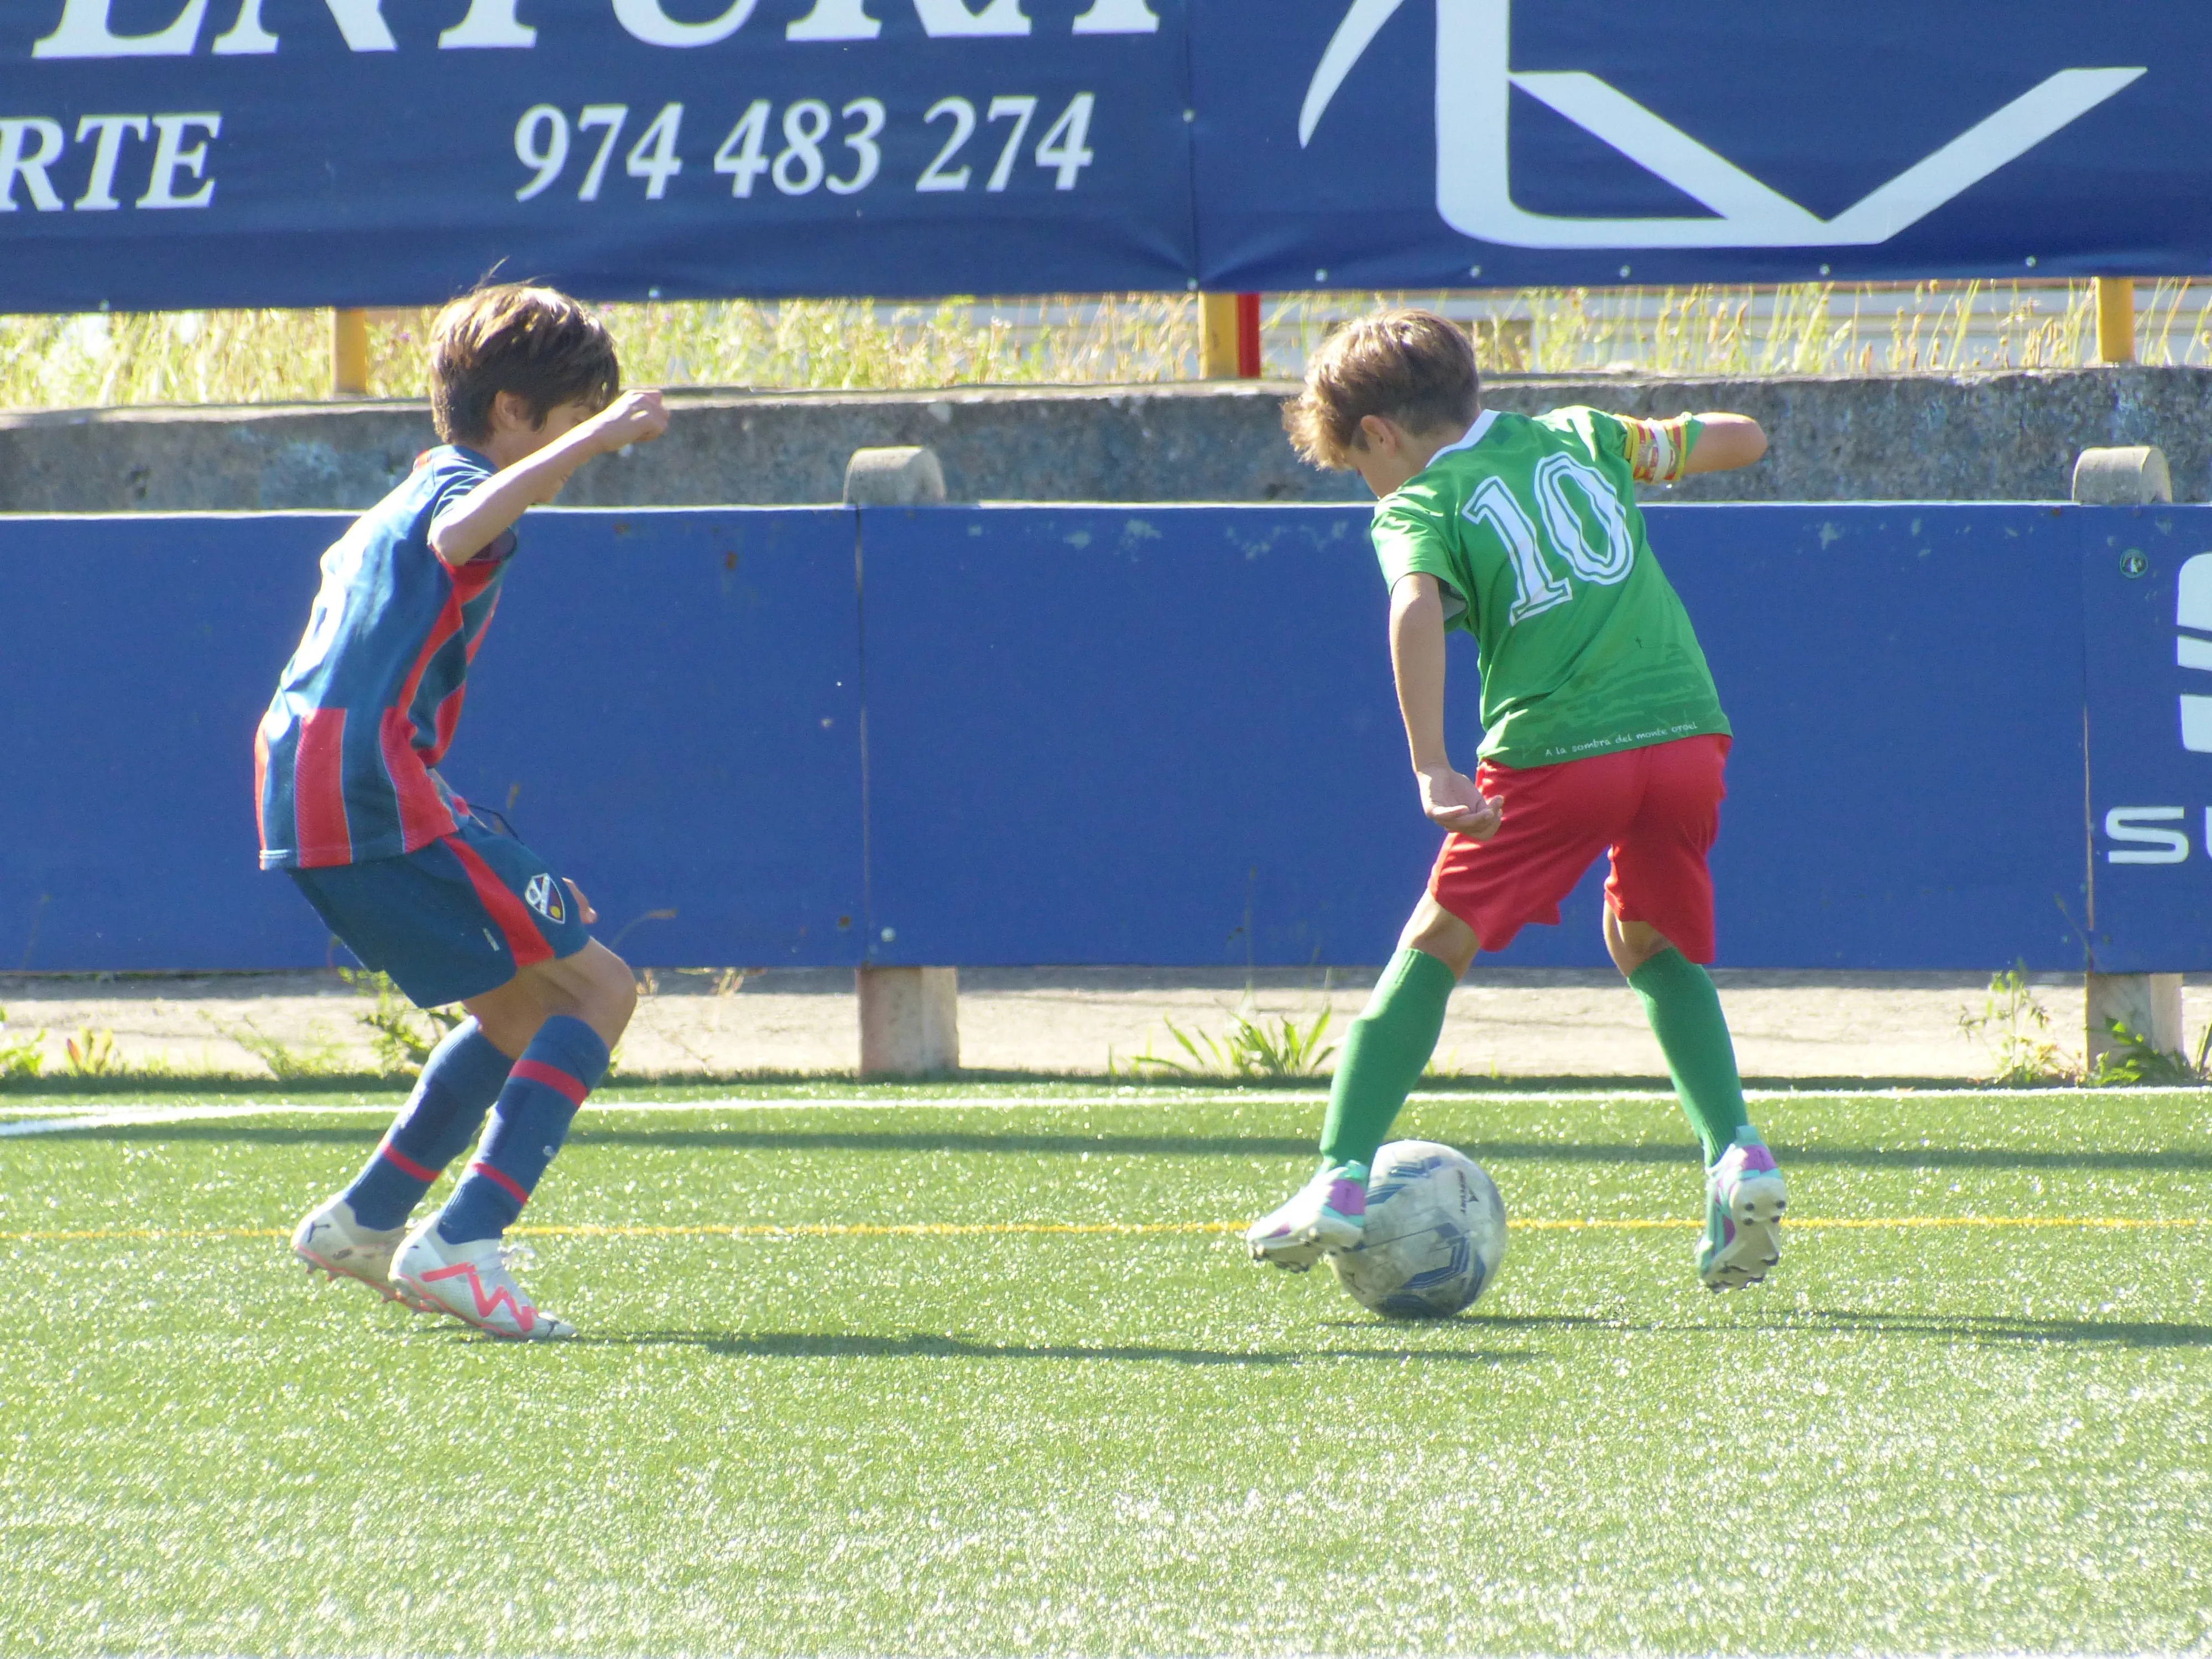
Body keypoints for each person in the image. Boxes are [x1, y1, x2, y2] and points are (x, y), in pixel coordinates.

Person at [1248, 309, 1786, 1292]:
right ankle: (1738, 1152)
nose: (1368, 486)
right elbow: (1744, 437)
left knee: (1434, 947)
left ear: (1379, 434)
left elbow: (1414, 605)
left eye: (1358, 465)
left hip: (1557, 752)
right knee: (1649, 946)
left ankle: (1337, 1178)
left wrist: (1431, 765)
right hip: (1685, 736)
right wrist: (1669, 446)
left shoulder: (1420, 502)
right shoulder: (1581, 435)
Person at [264, 283, 668, 1339]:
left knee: (524, 1001)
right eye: (574, 413)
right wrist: (589, 448)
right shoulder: (455, 490)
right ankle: (465, 1240)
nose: (584, 435)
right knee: (603, 987)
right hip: (367, 788)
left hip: (315, 789)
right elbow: (462, 534)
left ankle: (365, 1220)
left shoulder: (390, 501)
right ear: (513, 413)